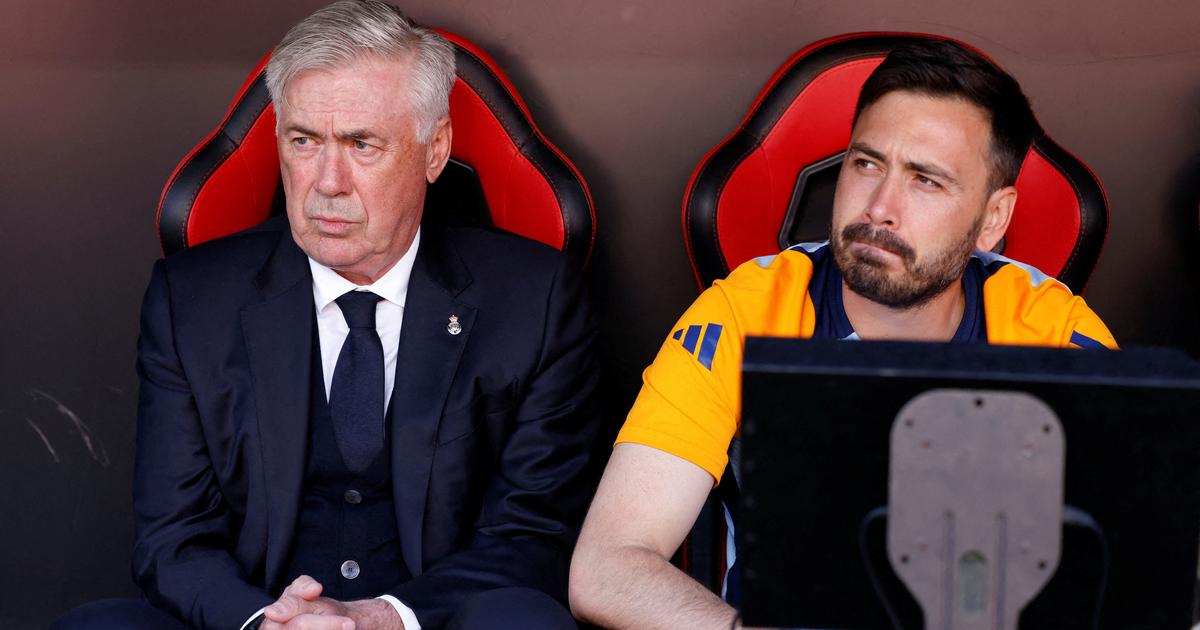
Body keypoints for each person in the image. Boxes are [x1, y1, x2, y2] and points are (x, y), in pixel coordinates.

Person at [55, 2, 599, 629]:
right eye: (304, 141)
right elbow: (174, 541)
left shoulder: (535, 299)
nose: (327, 182)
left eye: (361, 144)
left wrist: (383, 617)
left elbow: (532, 535)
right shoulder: (191, 300)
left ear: (435, 150)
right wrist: (267, 621)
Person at [569, 39, 1116, 630]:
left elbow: (1138, 562)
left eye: (926, 181)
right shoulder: (744, 312)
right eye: (867, 164)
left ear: (993, 219)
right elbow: (607, 566)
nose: (880, 207)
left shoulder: (1055, 332)